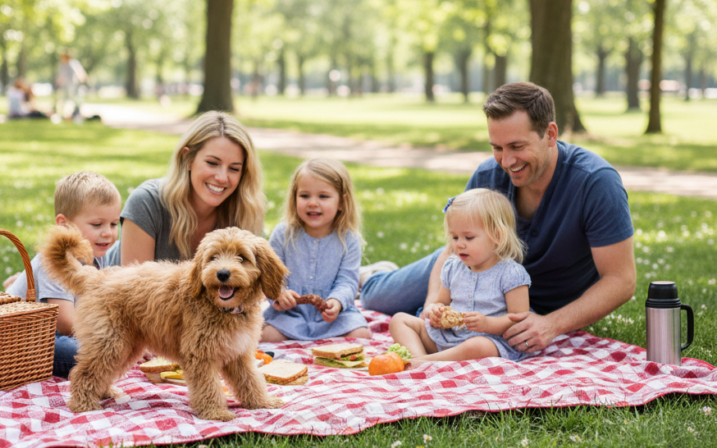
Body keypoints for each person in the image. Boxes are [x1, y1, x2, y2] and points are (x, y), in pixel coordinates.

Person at [361, 82, 636, 355]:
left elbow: (621, 279)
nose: (506, 161)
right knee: (374, 297)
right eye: (497, 147)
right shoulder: (487, 176)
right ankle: (370, 275)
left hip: (530, 302)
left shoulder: (596, 183)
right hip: (471, 264)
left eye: (517, 146)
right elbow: (453, 251)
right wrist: (435, 304)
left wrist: (551, 324)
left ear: (550, 134)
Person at [105, 111, 266, 267]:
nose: (222, 177)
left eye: (234, 169)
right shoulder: (146, 202)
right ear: (187, 158)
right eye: (212, 163)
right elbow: (135, 290)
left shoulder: (246, 212)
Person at [389, 188, 532, 362]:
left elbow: (519, 320)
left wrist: (488, 324)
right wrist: (435, 311)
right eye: (455, 237)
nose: (459, 245)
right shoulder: (452, 266)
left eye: (469, 238)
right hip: (448, 338)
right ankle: (420, 359)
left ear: (497, 236)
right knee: (399, 320)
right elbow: (441, 301)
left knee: (478, 346)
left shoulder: (511, 273)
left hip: (488, 342)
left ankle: (426, 362)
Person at [6, 171, 121, 378]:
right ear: (64, 224)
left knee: (111, 348)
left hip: (64, 329)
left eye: (114, 224)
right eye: (97, 224)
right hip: (29, 336)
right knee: (84, 352)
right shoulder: (56, 262)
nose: (108, 233)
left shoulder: (97, 251)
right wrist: (107, 339)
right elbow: (67, 324)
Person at [261, 158, 370, 342]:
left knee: (361, 334)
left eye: (323, 196)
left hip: (332, 318)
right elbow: (270, 275)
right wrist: (279, 293)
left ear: (342, 202)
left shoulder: (348, 239)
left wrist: (336, 302)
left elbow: (348, 281)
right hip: (290, 315)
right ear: (294, 197)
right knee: (266, 335)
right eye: (304, 196)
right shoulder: (283, 234)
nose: (312, 203)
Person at [55, 52, 88, 119]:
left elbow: (80, 71)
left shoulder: (74, 63)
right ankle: (65, 114)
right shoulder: (62, 65)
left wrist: (83, 77)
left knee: (76, 99)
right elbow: (60, 75)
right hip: (65, 86)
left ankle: (76, 114)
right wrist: (58, 82)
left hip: (74, 85)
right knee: (65, 100)